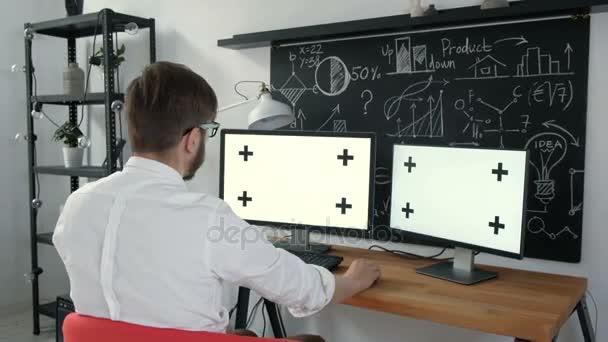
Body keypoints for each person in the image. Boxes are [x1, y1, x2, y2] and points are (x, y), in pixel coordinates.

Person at [53, 61, 381, 342]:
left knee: (245, 334)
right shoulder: (207, 217)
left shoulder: (77, 205)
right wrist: (351, 281)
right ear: (192, 139)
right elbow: (299, 289)